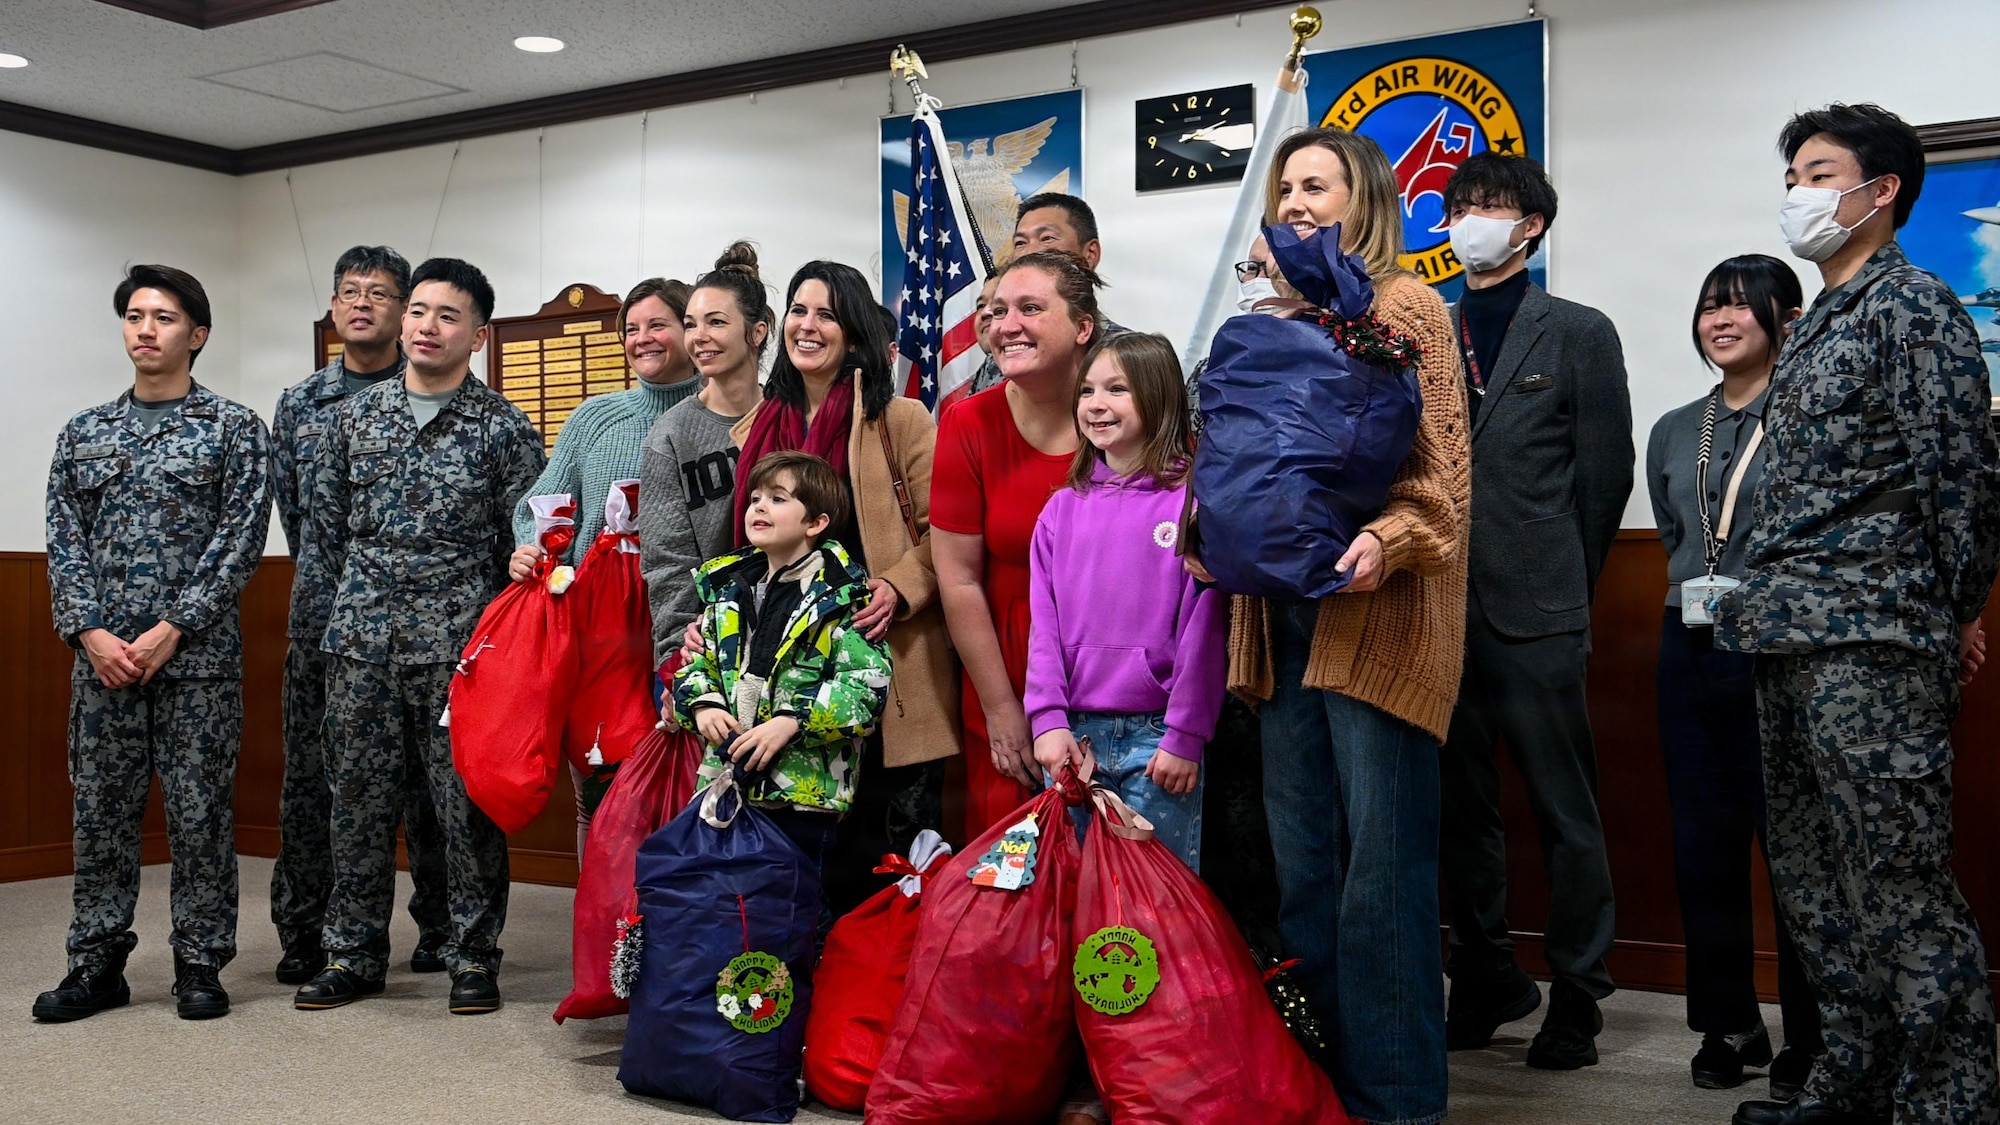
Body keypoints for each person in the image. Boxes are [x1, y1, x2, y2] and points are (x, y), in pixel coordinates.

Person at [1716, 103, 2000, 1125]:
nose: (1796, 191)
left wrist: (1941, 612)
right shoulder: (1812, 325)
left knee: (1894, 877)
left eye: (1817, 172)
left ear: (1878, 192)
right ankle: (1854, 1077)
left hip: (1873, 642)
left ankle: (1948, 1098)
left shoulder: (1911, 308)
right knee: (1812, 881)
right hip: (1787, 633)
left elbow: (1961, 480)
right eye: (1790, 172)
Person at [1215, 127, 1470, 1125]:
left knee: (1381, 884)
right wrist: (1209, 535)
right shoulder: (1268, 314)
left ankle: (1395, 1104)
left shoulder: (1405, 307)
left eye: (1314, 185)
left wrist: (1387, 540)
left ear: (1363, 197)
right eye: (1284, 191)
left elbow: (1439, 477)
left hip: (1376, 627)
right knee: (1307, 879)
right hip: (1278, 631)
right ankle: (1317, 1092)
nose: (1296, 204)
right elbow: (1240, 473)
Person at [295, 258, 545, 1015]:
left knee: (464, 808)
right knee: (357, 803)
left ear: (477, 333)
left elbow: (527, 544)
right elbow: (325, 538)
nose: (427, 327)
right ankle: (354, 951)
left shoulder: (501, 427)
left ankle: (472, 955)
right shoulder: (349, 421)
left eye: (447, 315)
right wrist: (328, 636)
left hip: (460, 651)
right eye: (420, 312)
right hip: (362, 648)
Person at [1436, 151, 1634, 1069]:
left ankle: (1578, 996)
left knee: (1565, 809)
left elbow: (1603, 480)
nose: (1473, 217)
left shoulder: (1577, 331)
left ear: (1531, 227)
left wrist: (1566, 584)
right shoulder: (1424, 331)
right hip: (1436, 611)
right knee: (1456, 809)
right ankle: (1484, 973)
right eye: (1461, 203)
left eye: (1494, 206)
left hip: (1539, 609)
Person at [35, 265, 272, 1022]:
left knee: (200, 815)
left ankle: (200, 963)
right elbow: (63, 541)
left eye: (164, 317)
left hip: (196, 661)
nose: (145, 329)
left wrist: (175, 626)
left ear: (196, 335)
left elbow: (240, 540)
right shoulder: (84, 432)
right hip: (103, 664)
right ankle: (96, 963)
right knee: (100, 812)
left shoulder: (234, 429)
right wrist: (90, 632)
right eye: (135, 315)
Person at [725, 260, 959, 910]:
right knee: (798, 844)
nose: (808, 324)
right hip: (786, 668)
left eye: (826, 313)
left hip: (883, 662)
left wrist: (899, 586)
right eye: (799, 310)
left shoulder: (903, 419)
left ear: (854, 330)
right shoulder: (755, 428)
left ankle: (883, 990)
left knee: (880, 850)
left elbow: (950, 531)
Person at [1647, 255, 1823, 1096]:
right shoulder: (1678, 427)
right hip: (1688, 649)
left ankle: (1811, 1035)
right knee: (1702, 845)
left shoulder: (1811, 414)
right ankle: (1730, 1021)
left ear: (1788, 318)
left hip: (1779, 648)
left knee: (1793, 848)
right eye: (1709, 305)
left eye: (1740, 307)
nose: (1720, 319)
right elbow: (1679, 533)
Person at [268, 245, 449, 988]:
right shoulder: (302, 403)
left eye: (380, 293)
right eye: (349, 292)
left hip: (425, 624)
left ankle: (438, 926)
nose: (362, 305)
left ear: (406, 311)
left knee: (430, 787)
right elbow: (297, 514)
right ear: (334, 307)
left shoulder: (445, 395)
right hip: (324, 617)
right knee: (315, 780)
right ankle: (308, 927)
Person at [509, 276, 698, 856]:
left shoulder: (726, 414)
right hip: (598, 627)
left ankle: (665, 927)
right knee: (600, 779)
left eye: (658, 324)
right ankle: (600, 927)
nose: (643, 338)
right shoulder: (596, 417)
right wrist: (528, 545)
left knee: (684, 777)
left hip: (686, 618)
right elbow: (543, 500)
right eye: (631, 329)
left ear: (691, 330)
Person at [1027, 331, 1228, 870]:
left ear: (1158, 396)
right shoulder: (1060, 511)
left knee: (1152, 912)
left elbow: (1204, 630)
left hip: (1158, 742)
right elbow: (1042, 630)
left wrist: (1186, 733)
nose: (1096, 404)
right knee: (1074, 901)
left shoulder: (1193, 504)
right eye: (1088, 390)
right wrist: (1047, 720)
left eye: (1117, 389)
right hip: (1074, 741)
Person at [672, 451, 892, 913]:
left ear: (816, 523)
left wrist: (792, 720)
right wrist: (702, 704)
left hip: (803, 794)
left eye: (777, 498)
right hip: (728, 781)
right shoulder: (729, 589)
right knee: (730, 909)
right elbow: (694, 663)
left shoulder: (844, 597)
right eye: (754, 499)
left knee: (795, 912)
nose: (759, 508)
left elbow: (868, 686)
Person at [932, 250, 1101, 839]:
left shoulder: (1133, 415)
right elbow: (957, 578)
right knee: (1012, 870)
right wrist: (1003, 711)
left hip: (1117, 672)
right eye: (999, 310)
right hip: (1006, 667)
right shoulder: (967, 423)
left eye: (1031, 308)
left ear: (1083, 327)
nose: (1007, 325)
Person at [639, 243, 770, 687]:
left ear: (757, 333)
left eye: (716, 322)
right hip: (708, 645)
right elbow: (666, 561)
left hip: (798, 634)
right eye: (692, 324)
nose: (699, 337)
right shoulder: (671, 434)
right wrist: (678, 657)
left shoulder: (790, 417)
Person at [968, 194, 1128, 394]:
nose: (1030, 253)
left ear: (1090, 253)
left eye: (1047, 239)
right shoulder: (1002, 356)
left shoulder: (1128, 356)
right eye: (1020, 243)